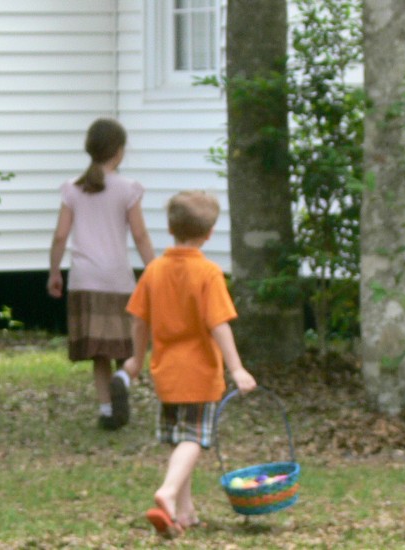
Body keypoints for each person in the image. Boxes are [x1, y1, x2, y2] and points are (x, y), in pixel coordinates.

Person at [117, 190, 257, 538]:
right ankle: (167, 492)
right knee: (194, 440)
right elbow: (219, 324)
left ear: (169, 228)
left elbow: (139, 321)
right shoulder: (208, 273)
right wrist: (236, 368)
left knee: (180, 441)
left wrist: (136, 358)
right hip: (199, 373)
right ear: (209, 233)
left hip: (165, 372)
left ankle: (185, 511)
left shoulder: (154, 271)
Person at [47, 118, 155, 430]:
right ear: (119, 151)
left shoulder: (72, 188)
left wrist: (54, 272)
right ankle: (124, 380)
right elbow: (140, 235)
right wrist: (155, 270)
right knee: (124, 344)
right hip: (118, 278)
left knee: (99, 352)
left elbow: (60, 236)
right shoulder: (128, 189)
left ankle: (107, 410)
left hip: (85, 278)